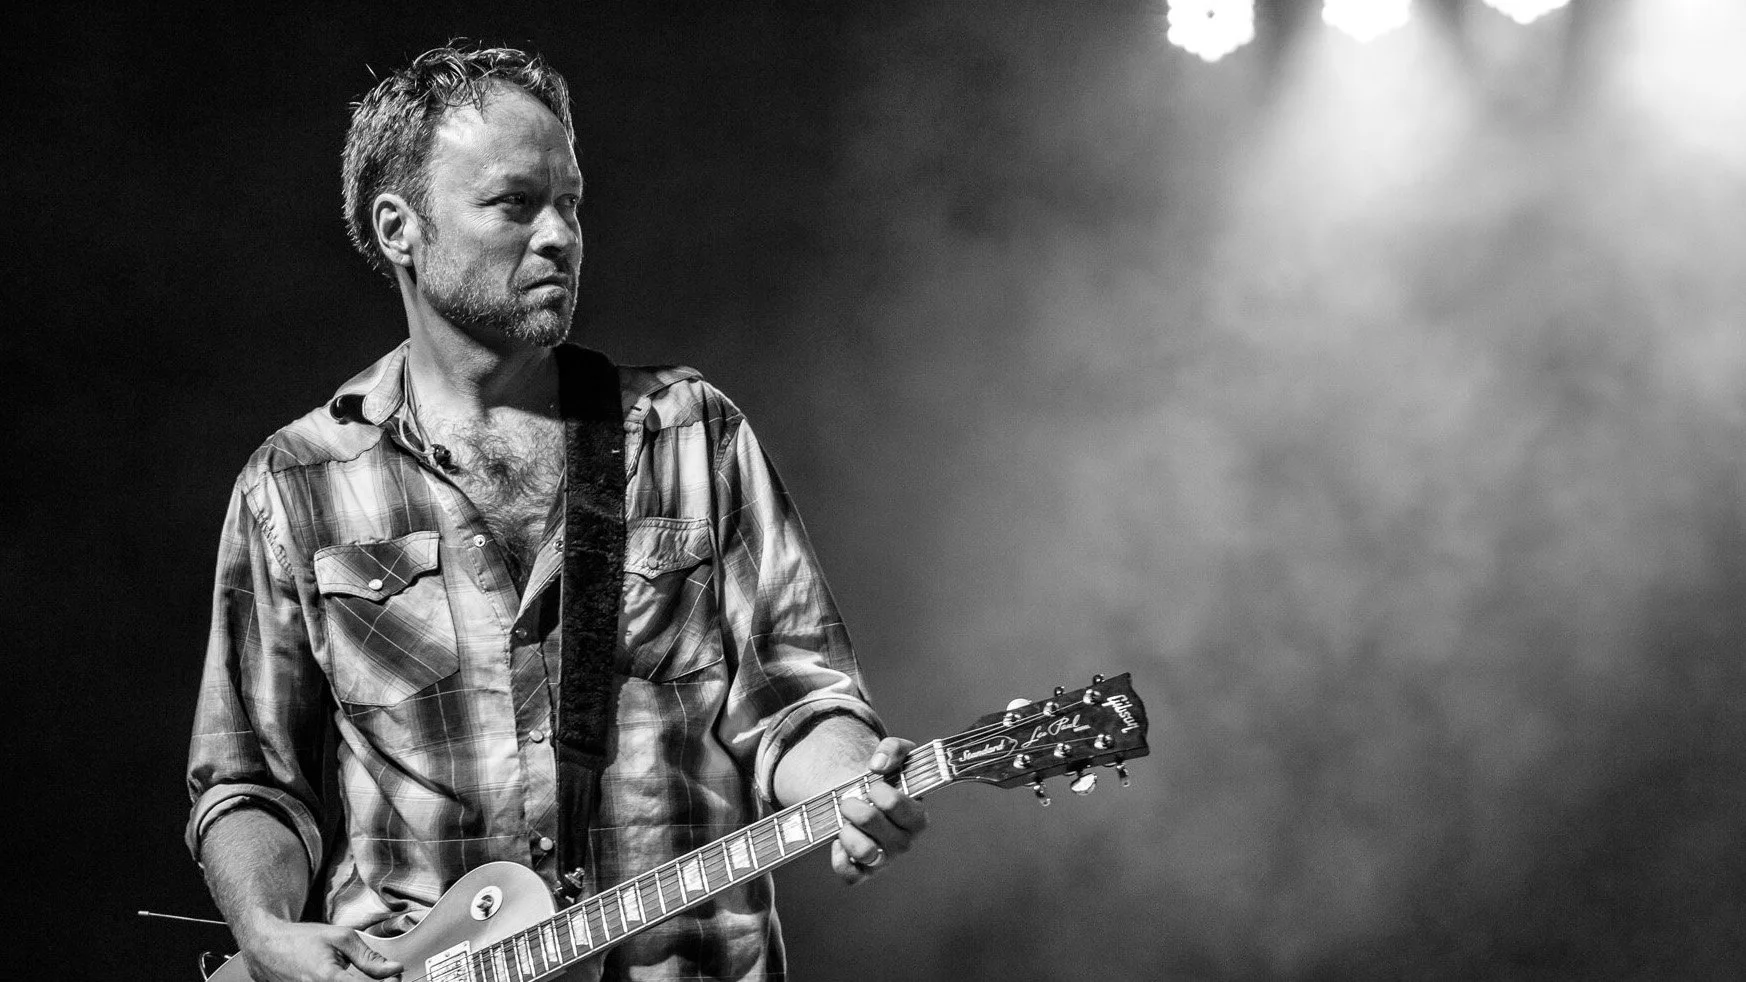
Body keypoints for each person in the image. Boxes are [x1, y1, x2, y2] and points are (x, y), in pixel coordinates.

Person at [185, 44, 925, 982]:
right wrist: (264, 932)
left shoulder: (688, 433)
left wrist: (853, 782)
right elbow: (249, 778)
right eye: (516, 203)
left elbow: (795, 697)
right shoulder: (297, 482)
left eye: (571, 203)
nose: (560, 237)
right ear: (399, 228)